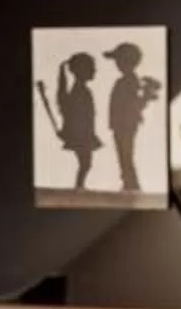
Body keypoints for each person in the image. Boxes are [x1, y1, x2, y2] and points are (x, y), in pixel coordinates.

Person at [104, 42, 163, 195]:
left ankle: (131, 184)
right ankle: (128, 182)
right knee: (123, 153)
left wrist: (144, 98)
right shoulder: (126, 81)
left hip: (126, 124)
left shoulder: (129, 81)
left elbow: (134, 103)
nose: (117, 64)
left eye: (119, 60)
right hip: (121, 124)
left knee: (126, 153)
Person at [36, 51, 101, 190]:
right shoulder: (79, 91)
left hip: (83, 133)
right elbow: (75, 114)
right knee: (86, 163)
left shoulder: (81, 90)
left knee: (86, 164)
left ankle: (80, 186)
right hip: (81, 134)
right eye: (91, 68)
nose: (94, 71)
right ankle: (79, 187)